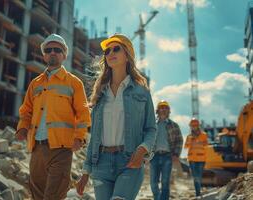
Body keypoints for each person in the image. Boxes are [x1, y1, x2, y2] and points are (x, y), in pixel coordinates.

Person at [76, 33, 157, 200]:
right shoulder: (100, 93)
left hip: (129, 162)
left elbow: (150, 128)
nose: (110, 53)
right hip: (101, 165)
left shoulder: (141, 91)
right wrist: (85, 171)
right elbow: (95, 136)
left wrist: (142, 150)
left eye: (116, 49)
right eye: (107, 51)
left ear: (127, 55)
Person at [15, 34, 91, 200]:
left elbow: (83, 113)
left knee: (53, 196)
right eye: (48, 50)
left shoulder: (73, 83)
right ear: (44, 55)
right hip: (37, 149)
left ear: (64, 55)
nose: (52, 53)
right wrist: (22, 127)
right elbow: (26, 110)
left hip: (61, 149)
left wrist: (80, 137)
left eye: (57, 50)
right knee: (38, 196)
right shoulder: (35, 84)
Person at [150, 100, 183, 200]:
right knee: (153, 183)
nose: (163, 110)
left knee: (165, 182)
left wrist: (176, 154)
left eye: (166, 108)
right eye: (161, 108)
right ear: (157, 110)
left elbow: (179, 140)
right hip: (153, 157)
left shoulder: (174, 125)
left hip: (167, 157)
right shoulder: (152, 125)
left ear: (168, 111)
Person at [184, 118, 208, 198]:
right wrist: (190, 141)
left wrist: (198, 141)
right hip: (192, 159)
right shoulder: (189, 136)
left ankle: (198, 192)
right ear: (190, 127)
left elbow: (206, 145)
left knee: (199, 176)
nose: (194, 127)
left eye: (195, 125)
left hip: (201, 159)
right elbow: (186, 146)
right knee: (195, 177)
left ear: (198, 126)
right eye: (192, 126)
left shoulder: (204, 135)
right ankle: (198, 193)